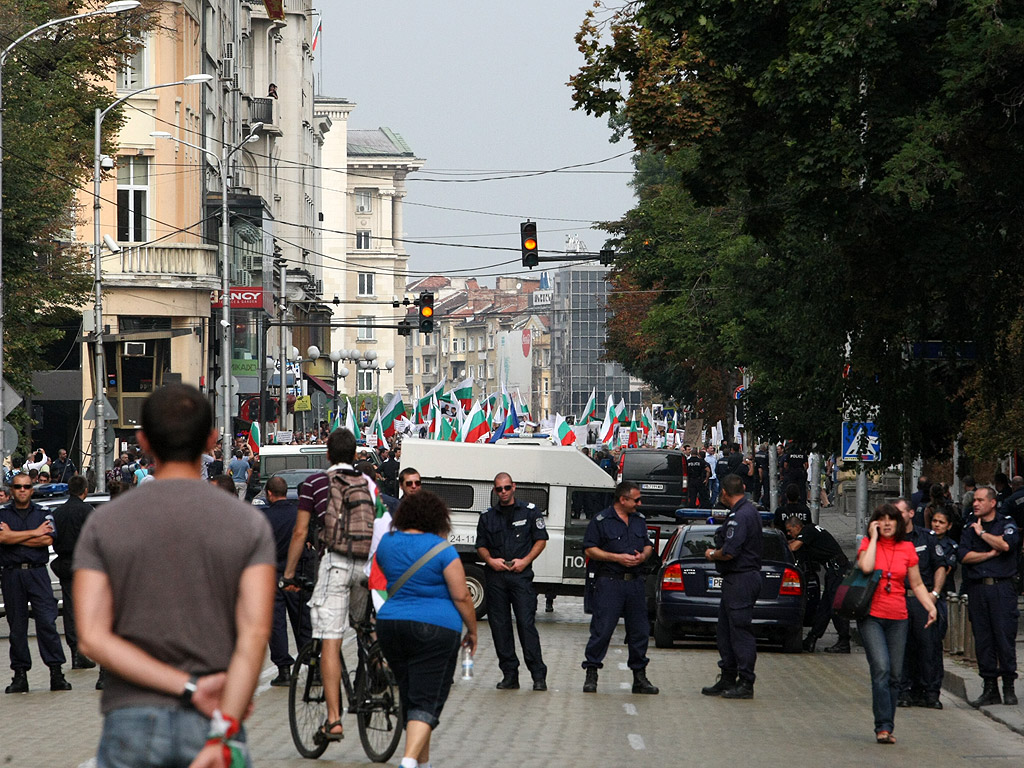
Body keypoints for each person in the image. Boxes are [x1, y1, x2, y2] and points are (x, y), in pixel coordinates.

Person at [74, 384, 275, 766]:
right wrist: (225, 727)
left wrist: (188, 688)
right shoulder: (249, 524)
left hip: (130, 718)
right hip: (213, 720)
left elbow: (92, 638)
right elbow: (255, 634)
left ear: (143, 441)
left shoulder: (103, 524)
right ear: (212, 440)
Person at [282, 428, 379, 742]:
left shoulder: (314, 484)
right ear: (354, 456)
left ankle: (334, 720)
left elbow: (300, 533)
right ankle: (380, 672)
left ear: (327, 454)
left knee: (329, 641)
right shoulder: (367, 483)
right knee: (364, 628)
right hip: (365, 566)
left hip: (335, 564)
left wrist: (289, 574)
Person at [375, 491, 477, 768]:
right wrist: (473, 630)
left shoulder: (387, 542)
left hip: (391, 626)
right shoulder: (443, 550)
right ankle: (408, 762)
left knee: (411, 695)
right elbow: (461, 596)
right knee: (426, 699)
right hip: (435, 629)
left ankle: (423, 763)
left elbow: (386, 572)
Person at [855, 504, 936, 744]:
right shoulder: (867, 545)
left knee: (895, 675)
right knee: (881, 668)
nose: (888, 523)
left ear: (899, 523)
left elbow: (917, 584)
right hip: (872, 616)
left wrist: (931, 606)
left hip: (898, 618)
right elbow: (866, 567)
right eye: (882, 519)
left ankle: (888, 726)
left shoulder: (908, 548)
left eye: (892, 519)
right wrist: (873, 538)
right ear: (875, 522)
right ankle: (881, 726)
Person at [580, 481, 659, 695]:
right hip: (610, 582)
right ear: (622, 499)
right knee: (602, 630)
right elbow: (590, 549)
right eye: (636, 499)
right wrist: (616, 558)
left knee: (639, 631)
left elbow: (648, 544)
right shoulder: (601, 521)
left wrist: (643, 555)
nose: (639, 503)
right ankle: (592, 673)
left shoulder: (638, 520)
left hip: (634, 583)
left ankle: (639, 677)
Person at [475, 472, 548, 690]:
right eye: (499, 489)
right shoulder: (487, 516)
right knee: (500, 627)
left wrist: (525, 561)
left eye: (507, 487)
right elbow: (480, 545)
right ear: (495, 490)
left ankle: (538, 676)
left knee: (526, 625)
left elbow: (541, 540)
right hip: (496, 577)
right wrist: (490, 560)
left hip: (521, 577)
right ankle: (510, 674)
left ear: (514, 487)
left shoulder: (530, 511)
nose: (504, 492)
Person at [0, 475, 72, 693]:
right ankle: (20, 675)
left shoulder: (43, 513)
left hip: (37, 574)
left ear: (32, 490)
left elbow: (48, 539)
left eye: (27, 486)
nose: (22, 490)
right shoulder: (2, 513)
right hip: (12, 575)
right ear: (11, 490)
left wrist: (15, 536)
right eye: (18, 487)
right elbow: (2, 539)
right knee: (17, 627)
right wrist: (33, 533)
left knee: (47, 623)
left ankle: (56, 672)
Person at [701, 474, 763, 699]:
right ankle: (728, 677)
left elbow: (729, 551)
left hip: (741, 578)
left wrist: (711, 554)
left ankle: (746, 682)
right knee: (725, 631)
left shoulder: (740, 516)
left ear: (725, 493)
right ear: (743, 488)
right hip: (737, 579)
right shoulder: (748, 511)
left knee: (739, 631)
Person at [958, 486, 1020, 707]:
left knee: (1004, 637)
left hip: (1001, 588)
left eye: (980, 500)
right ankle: (990, 687)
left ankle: (1009, 687)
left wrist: (983, 534)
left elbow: (1006, 544)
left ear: (992, 503)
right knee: (983, 639)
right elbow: (963, 556)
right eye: (974, 500)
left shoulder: (1006, 523)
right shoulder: (969, 525)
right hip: (978, 589)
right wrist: (989, 553)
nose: (975, 504)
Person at [894, 497, 948, 709]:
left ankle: (930, 692)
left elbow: (940, 566)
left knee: (929, 647)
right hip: (898, 599)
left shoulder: (926, 538)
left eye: (900, 513)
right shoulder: (889, 540)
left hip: (923, 600)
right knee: (902, 648)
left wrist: (934, 594)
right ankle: (904, 691)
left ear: (910, 514)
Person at [262, 476, 312, 687]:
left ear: (269, 494)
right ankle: (314, 668)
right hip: (296, 574)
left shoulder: (263, 517)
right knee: (302, 622)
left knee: (277, 624)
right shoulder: (298, 515)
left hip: (272, 575)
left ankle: (284, 670)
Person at [50, 475, 97, 670]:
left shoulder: (58, 512)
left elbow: (52, 537)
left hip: (65, 564)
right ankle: (86, 650)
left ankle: (75, 651)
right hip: (84, 565)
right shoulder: (88, 511)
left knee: (70, 609)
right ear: (84, 491)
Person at [785, 516, 850, 653]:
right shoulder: (809, 533)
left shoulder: (808, 530)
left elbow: (795, 546)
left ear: (797, 526)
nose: (789, 534)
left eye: (790, 531)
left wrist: (782, 544)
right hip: (833, 571)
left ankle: (844, 641)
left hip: (838, 570)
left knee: (835, 607)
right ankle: (811, 639)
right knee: (824, 609)